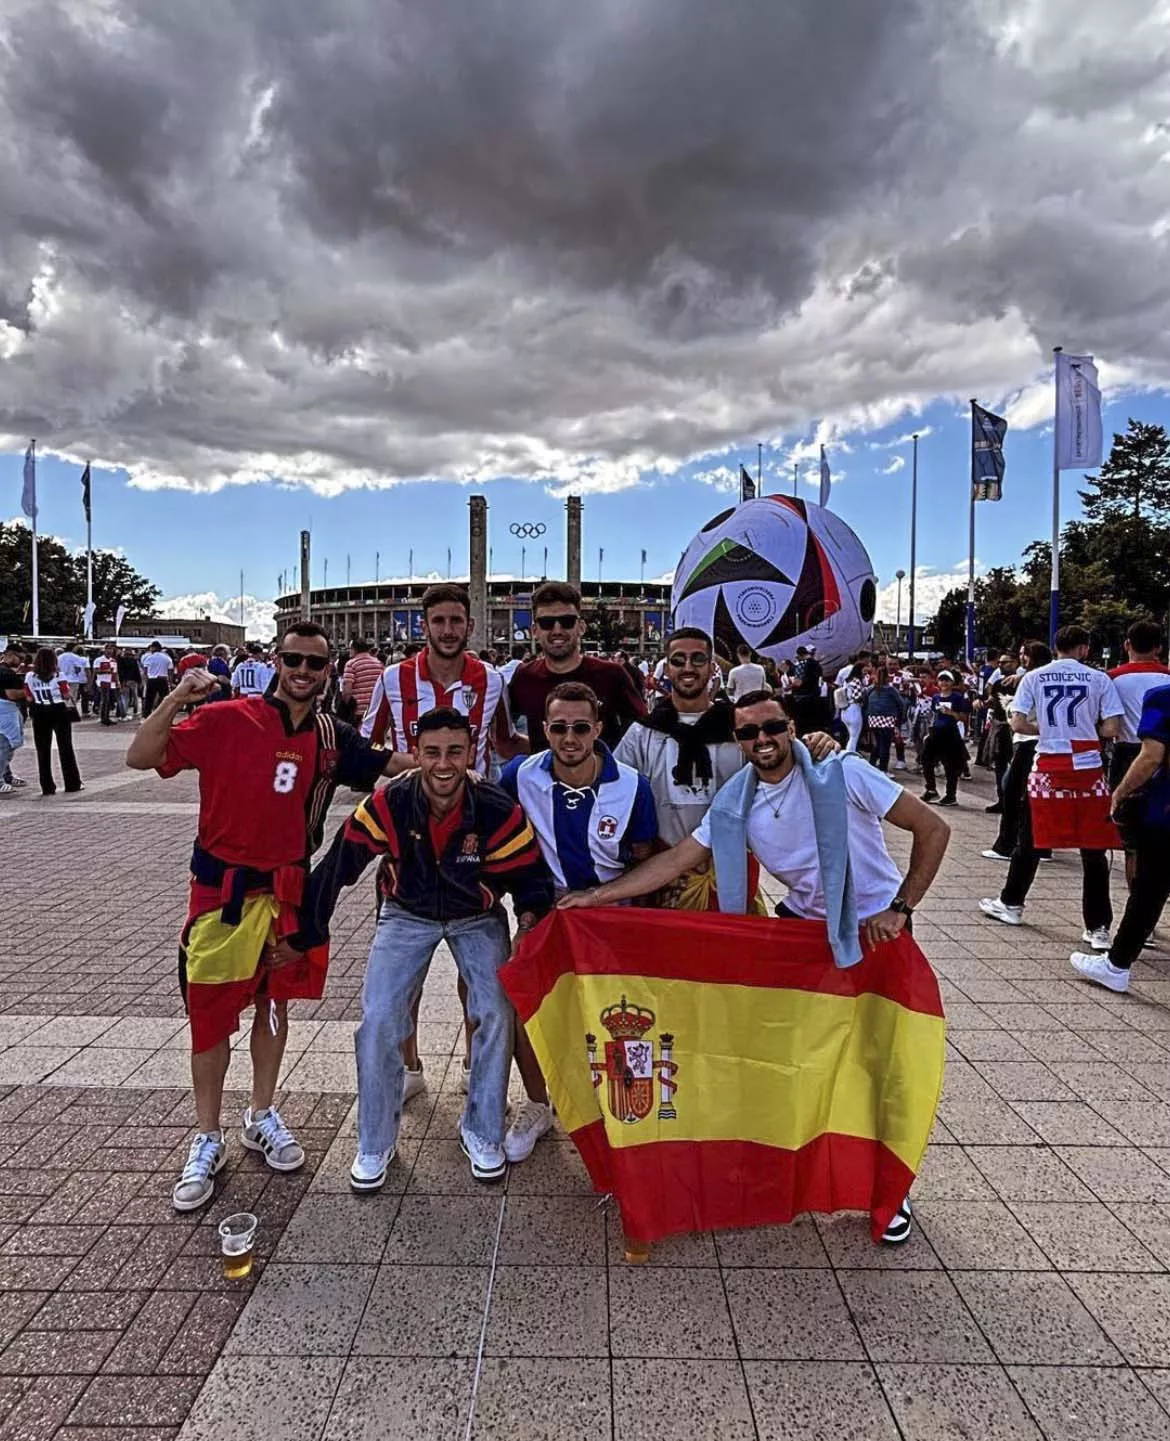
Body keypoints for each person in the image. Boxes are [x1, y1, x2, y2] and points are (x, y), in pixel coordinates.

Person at [560, 687, 951, 1244]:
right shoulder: (735, 801)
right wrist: (594, 901)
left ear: (790, 727)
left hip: (871, 930)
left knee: (874, 1061)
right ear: (737, 741)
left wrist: (900, 908)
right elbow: (676, 860)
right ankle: (795, 1159)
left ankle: (888, 1186)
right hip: (801, 931)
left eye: (772, 728)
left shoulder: (842, 772)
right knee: (791, 1055)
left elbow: (933, 828)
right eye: (748, 733)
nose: (762, 741)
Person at [125, 621, 411, 1212]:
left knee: (274, 1003)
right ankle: (207, 1135)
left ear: (330, 672)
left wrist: (450, 764)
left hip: (287, 891)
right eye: (293, 660)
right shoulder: (227, 717)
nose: (303, 671)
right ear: (276, 662)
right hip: (221, 893)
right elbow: (140, 755)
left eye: (315, 663)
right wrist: (179, 696)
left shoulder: (333, 735)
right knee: (209, 1015)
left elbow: (388, 764)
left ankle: (262, 1113)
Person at [280, 707, 555, 1188]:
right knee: (381, 1016)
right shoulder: (391, 801)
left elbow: (530, 875)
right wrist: (302, 934)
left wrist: (529, 921)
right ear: (416, 752)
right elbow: (338, 865)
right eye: (431, 752)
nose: (443, 764)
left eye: (454, 751)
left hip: (475, 915)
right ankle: (375, 1140)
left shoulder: (493, 806)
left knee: (494, 1008)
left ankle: (482, 1129)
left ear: (471, 752)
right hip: (406, 912)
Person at [360, 584, 521, 1098]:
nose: (448, 630)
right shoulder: (393, 678)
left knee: (477, 956)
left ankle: (477, 1059)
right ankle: (409, 1066)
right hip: (408, 837)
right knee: (405, 961)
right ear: (423, 626)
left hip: (474, 835)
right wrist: (423, 768)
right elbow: (371, 748)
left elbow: (500, 744)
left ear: (469, 626)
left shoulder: (491, 679)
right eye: (439, 621)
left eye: (456, 621)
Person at [500, 682, 658, 1162]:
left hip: (610, 915)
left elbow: (643, 857)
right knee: (523, 1002)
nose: (570, 738)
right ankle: (535, 1103)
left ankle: (626, 1106)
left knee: (622, 1014)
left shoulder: (631, 785)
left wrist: (611, 906)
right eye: (559, 727)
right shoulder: (519, 776)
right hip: (547, 910)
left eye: (581, 728)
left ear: (599, 729)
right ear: (544, 729)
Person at [979, 625, 1122, 946]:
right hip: (1087, 768)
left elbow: (1017, 722)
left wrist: (1047, 729)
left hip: (1048, 766)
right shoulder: (1099, 679)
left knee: (1030, 837)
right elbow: (1112, 727)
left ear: (1056, 646)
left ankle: (1011, 902)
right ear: (1084, 648)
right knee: (1093, 849)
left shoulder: (1033, 677)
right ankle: (1098, 927)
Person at [1072, 679, 1170, 992]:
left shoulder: (1162, 698)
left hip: (1165, 812)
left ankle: (1117, 964)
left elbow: (1151, 756)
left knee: (1150, 888)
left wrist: (1120, 792)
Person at [508, 582, 646, 752]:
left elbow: (643, 732)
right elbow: (503, 731)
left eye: (567, 621)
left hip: (601, 776)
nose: (557, 630)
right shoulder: (524, 677)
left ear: (581, 627)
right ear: (535, 630)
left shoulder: (611, 674)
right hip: (543, 777)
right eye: (547, 623)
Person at [1107, 620, 1170, 889]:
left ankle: (1138, 898)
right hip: (1164, 754)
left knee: (1131, 837)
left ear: (1127, 645)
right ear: (1158, 648)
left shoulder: (1112, 678)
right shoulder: (1167, 679)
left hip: (1127, 754)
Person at [24, 649, 83, 795]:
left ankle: (47, 786)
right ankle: (72, 783)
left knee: (42, 749)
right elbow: (66, 694)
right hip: (58, 710)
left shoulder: (30, 676)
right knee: (65, 747)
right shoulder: (59, 675)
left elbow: (29, 697)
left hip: (39, 711)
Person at [919, 670, 971, 806]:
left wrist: (951, 713)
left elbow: (964, 717)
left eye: (947, 680)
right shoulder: (936, 697)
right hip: (936, 731)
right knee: (926, 760)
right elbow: (934, 714)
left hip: (950, 732)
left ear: (952, 682)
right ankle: (931, 789)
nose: (944, 683)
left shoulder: (958, 698)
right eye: (941, 680)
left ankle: (950, 795)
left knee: (950, 765)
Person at [864, 667, 907, 773]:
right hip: (888, 719)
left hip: (872, 719)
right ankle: (883, 770)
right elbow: (902, 704)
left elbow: (864, 700)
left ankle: (872, 765)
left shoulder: (870, 688)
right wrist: (901, 718)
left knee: (878, 744)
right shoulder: (890, 689)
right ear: (887, 677)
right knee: (885, 745)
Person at [339, 637, 383, 725]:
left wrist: (348, 707)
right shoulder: (379, 664)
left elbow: (347, 691)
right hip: (375, 708)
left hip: (358, 709)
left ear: (354, 649)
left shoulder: (351, 664)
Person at [0, 650, 25, 796]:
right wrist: (28, 691)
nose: (20, 661)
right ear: (8, 655)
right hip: (6, 711)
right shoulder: (7, 674)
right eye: (18, 657)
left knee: (5, 744)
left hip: (7, 711)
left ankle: (7, 775)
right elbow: (12, 694)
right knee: (6, 744)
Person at [56, 644, 91, 717]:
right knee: (72, 697)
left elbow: (57, 668)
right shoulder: (76, 657)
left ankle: (61, 712)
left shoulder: (59, 657)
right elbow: (78, 669)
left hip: (62, 679)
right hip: (73, 679)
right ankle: (70, 713)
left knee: (62, 696)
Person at [141, 642, 174, 716]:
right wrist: (170, 682)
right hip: (163, 679)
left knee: (149, 699)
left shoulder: (149, 657)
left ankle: (146, 715)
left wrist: (146, 681)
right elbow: (170, 670)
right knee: (164, 698)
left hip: (152, 679)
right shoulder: (167, 657)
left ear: (154, 648)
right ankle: (163, 714)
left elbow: (145, 670)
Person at [92, 642, 120, 726]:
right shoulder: (99, 660)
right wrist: (106, 671)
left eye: (111, 649)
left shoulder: (113, 661)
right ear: (105, 650)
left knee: (110, 701)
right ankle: (104, 718)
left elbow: (115, 673)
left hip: (111, 683)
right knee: (105, 700)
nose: (110, 651)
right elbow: (96, 671)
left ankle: (106, 716)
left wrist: (118, 682)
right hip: (102, 682)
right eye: (108, 649)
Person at [117, 647, 143, 717]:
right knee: (135, 696)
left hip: (125, 680)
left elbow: (119, 671)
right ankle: (135, 710)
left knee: (125, 697)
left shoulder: (120, 661)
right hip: (133, 680)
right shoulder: (134, 661)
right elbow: (137, 672)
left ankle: (124, 712)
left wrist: (121, 681)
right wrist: (140, 681)